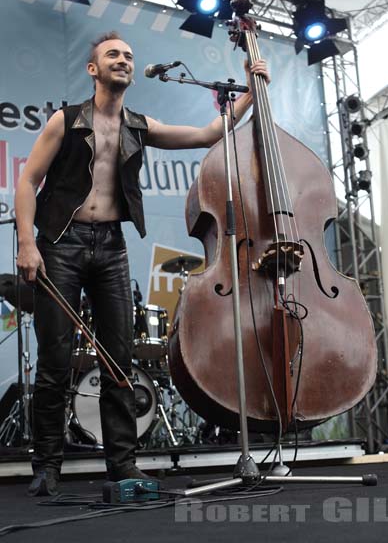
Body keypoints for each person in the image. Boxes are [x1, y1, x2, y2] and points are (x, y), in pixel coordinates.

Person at [15, 31, 270, 496]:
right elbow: (28, 179)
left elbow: (209, 133)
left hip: (111, 246)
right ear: (93, 69)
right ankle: (47, 466)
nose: (124, 60)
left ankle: (123, 466)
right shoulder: (65, 120)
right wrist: (27, 243)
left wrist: (253, 92)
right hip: (61, 243)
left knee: (119, 361)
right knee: (53, 360)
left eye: (129, 56)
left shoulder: (137, 125)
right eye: (113, 54)